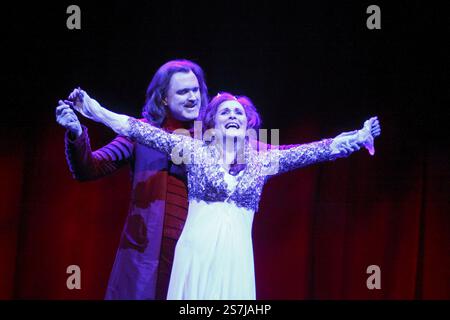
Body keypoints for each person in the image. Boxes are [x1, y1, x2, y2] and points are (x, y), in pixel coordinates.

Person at [68, 90, 381, 299]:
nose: (233, 115)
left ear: (248, 124)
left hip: (236, 259)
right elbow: (141, 131)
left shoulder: (263, 158)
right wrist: (96, 111)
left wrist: (359, 136)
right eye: (225, 112)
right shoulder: (192, 150)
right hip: (196, 254)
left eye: (239, 113)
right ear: (213, 123)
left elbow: (320, 150)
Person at [55, 59, 209, 300]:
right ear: (164, 98)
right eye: (183, 91)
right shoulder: (140, 133)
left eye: (195, 89)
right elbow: (90, 168)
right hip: (146, 255)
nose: (192, 97)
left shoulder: (210, 140)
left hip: (195, 254)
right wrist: (76, 133)